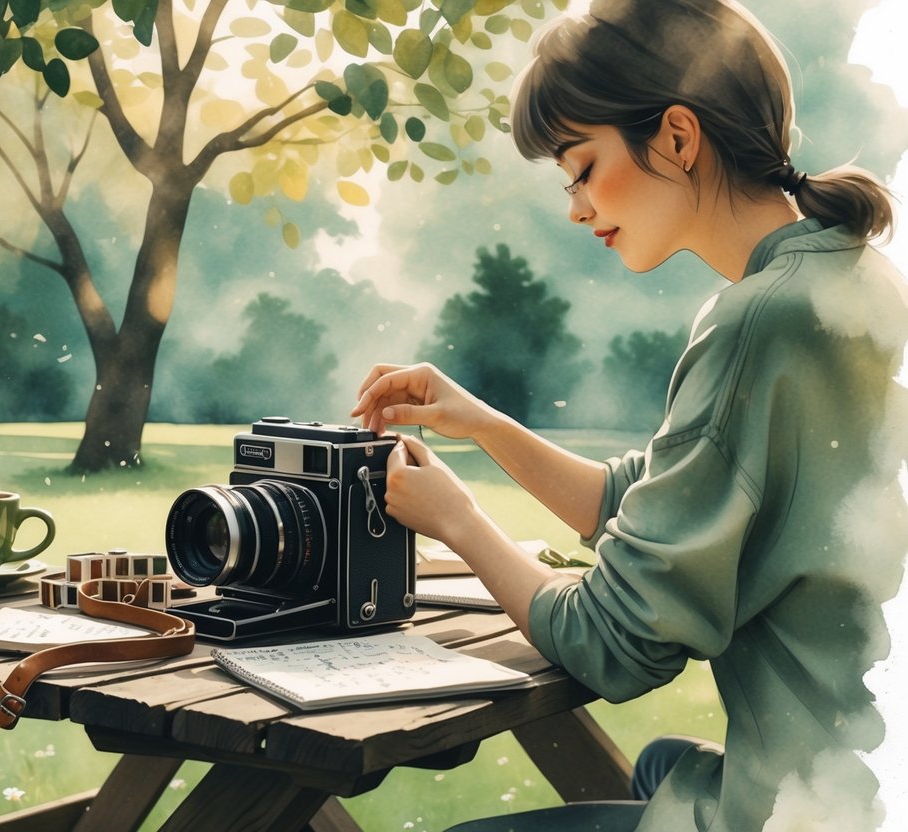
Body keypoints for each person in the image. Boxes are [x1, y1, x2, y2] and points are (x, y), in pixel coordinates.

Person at [351, 1, 908, 830]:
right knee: (656, 764)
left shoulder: (757, 321)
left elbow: (612, 645)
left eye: (580, 166)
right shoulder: (848, 278)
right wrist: (484, 425)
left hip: (809, 813)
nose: (576, 206)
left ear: (677, 137)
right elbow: (663, 502)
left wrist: (457, 519)